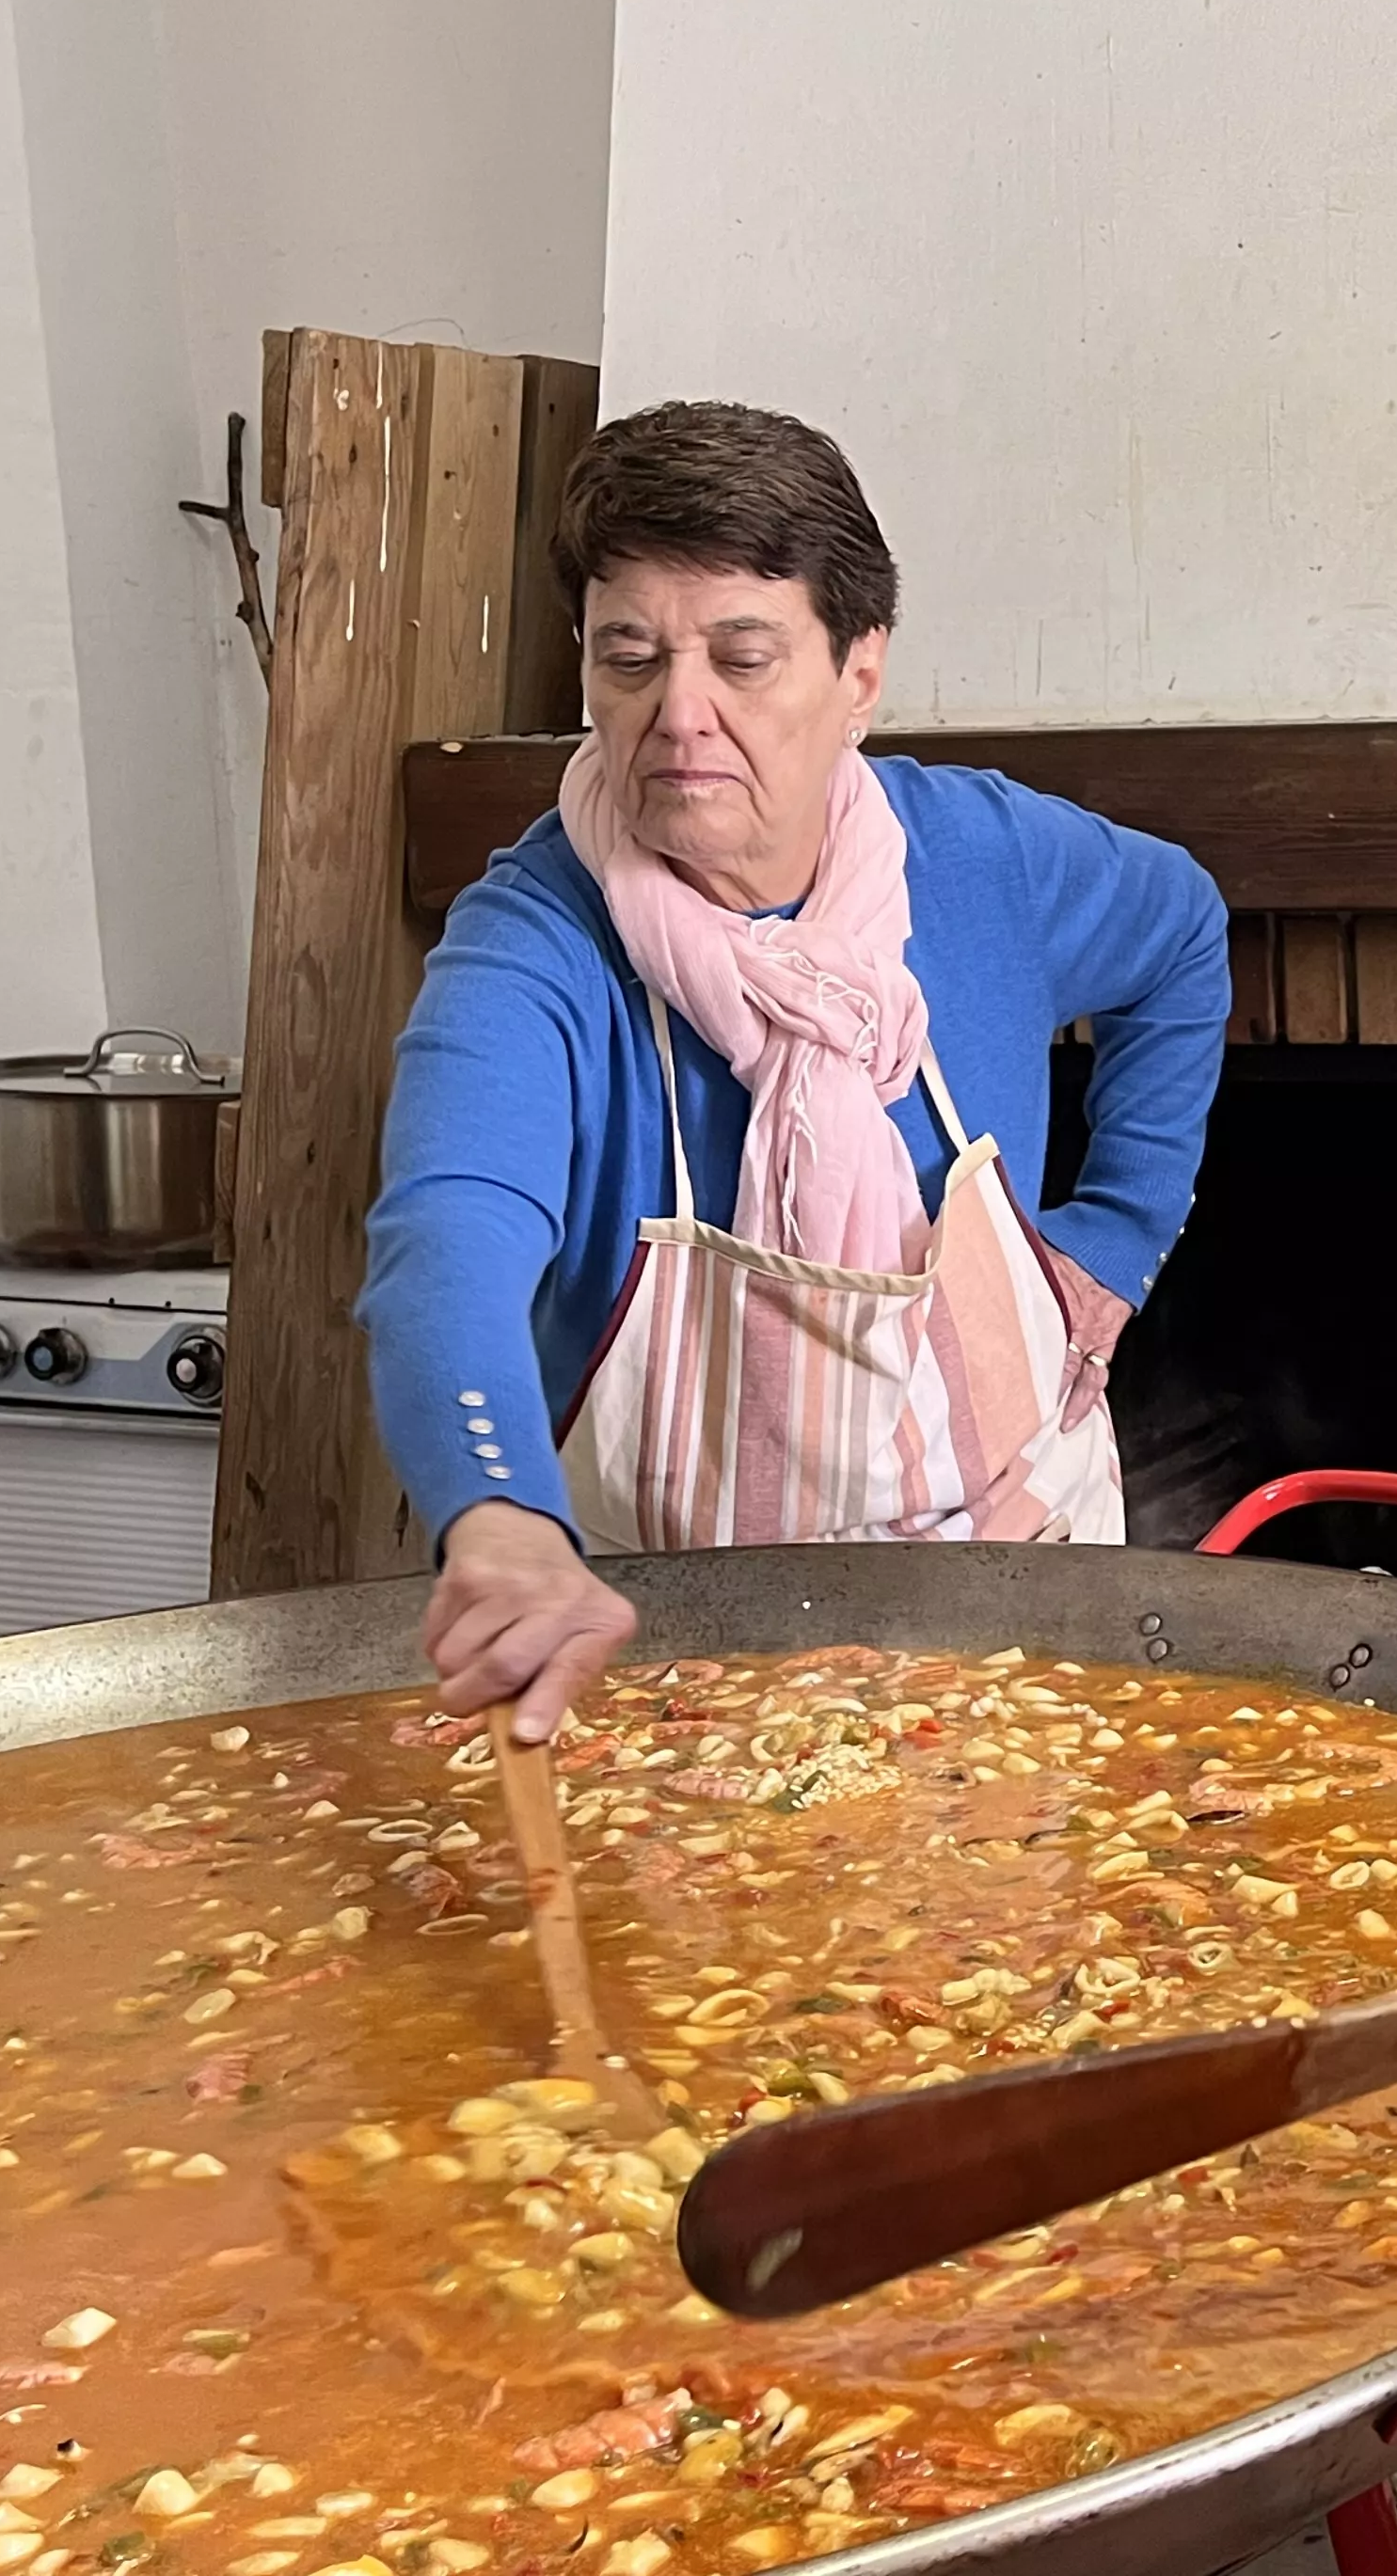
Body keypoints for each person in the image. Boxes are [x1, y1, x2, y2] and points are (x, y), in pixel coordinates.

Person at [359, 402, 1228, 1742]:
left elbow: (1181, 930)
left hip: (1020, 1616)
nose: (678, 716)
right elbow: (447, 1236)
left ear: (859, 674)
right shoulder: (536, 946)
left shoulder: (982, 863)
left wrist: (1118, 1241)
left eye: (743, 658)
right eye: (629, 658)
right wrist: (500, 1519)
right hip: (670, 1669)